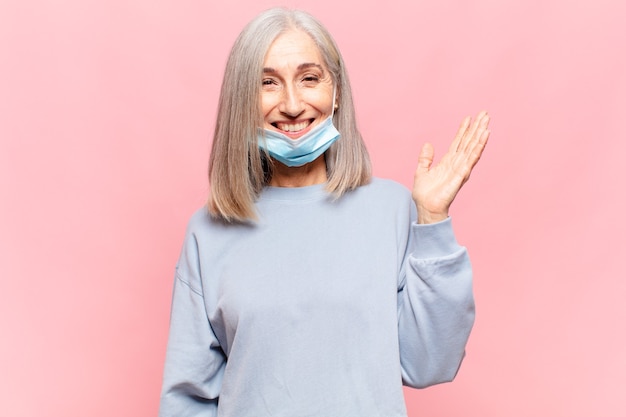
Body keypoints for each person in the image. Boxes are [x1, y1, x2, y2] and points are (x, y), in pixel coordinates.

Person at [159, 7, 490, 417]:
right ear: (241, 100)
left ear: (336, 93)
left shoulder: (391, 210)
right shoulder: (207, 233)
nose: (293, 104)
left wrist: (432, 219)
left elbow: (430, 363)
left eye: (309, 78)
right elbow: (185, 401)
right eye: (268, 83)